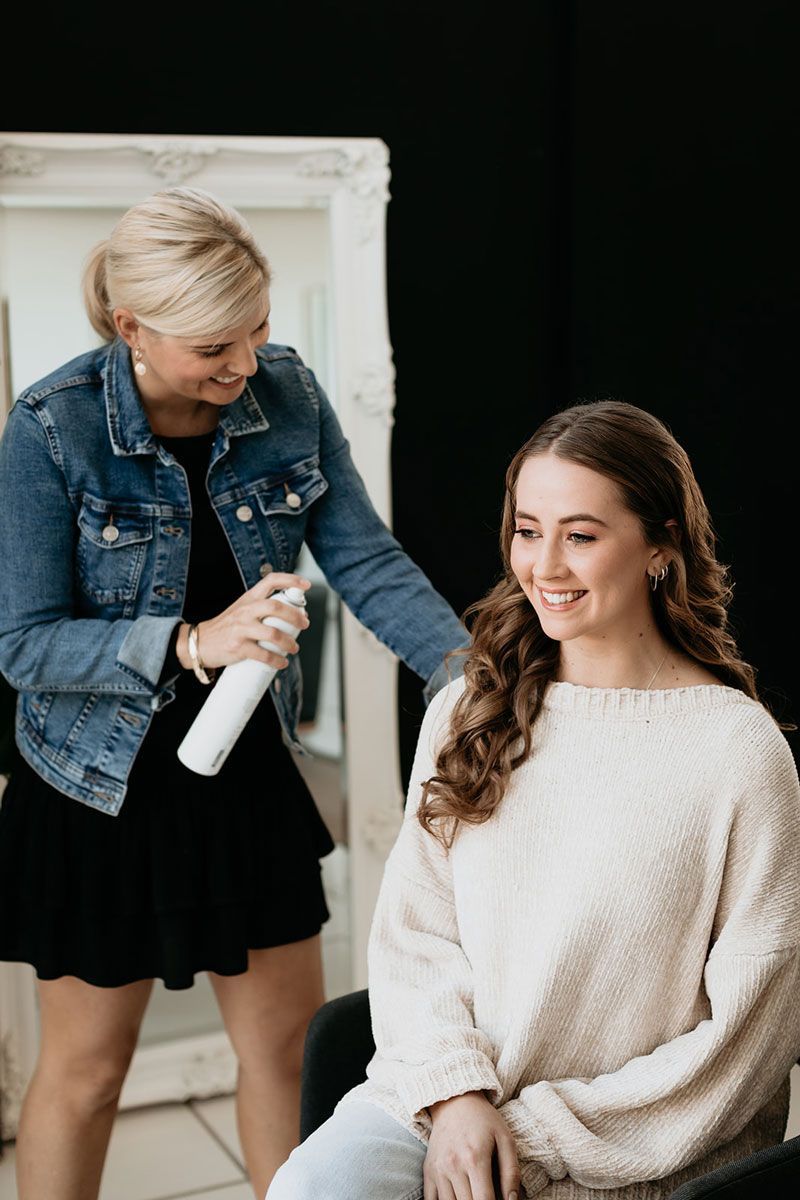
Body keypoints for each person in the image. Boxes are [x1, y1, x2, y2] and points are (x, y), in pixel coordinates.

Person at [0, 186, 468, 1200]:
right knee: (85, 1075)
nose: (243, 365)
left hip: (239, 766)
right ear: (132, 327)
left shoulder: (285, 397)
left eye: (256, 330)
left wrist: (472, 677)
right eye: (215, 344)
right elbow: (25, 647)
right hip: (93, 783)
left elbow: (368, 564)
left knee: (293, 1055)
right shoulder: (49, 428)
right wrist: (190, 640)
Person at [267, 400, 800, 1200]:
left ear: (661, 546)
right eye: (526, 529)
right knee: (311, 1186)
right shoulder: (466, 709)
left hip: (630, 1146)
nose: (543, 566)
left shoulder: (737, 752)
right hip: (439, 1103)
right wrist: (454, 1098)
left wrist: (529, 1134)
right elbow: (415, 938)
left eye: (581, 535)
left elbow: (748, 1042)